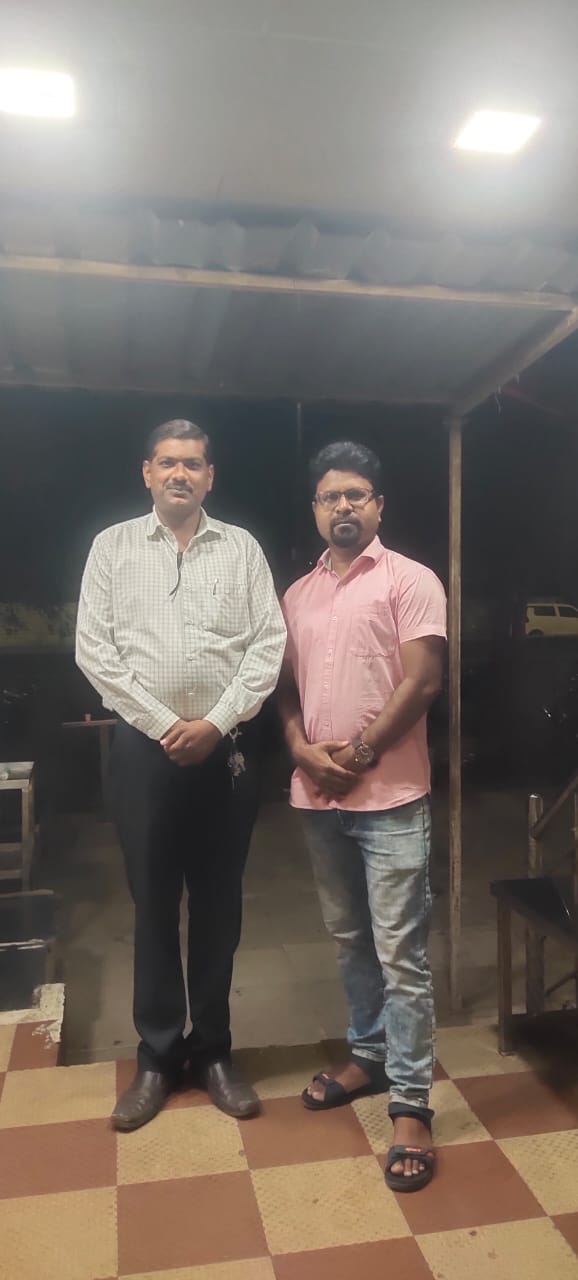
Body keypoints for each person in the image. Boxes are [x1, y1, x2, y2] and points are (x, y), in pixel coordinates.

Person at [76, 419, 286, 1130]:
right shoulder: (112, 548)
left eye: (193, 463)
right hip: (145, 751)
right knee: (154, 905)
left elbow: (268, 645)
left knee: (220, 907)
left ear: (209, 476)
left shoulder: (241, 549)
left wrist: (216, 722)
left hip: (226, 749)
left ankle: (215, 1051)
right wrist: (166, 724)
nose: (179, 474)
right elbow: (94, 651)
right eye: (168, 462)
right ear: (147, 472)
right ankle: (159, 1057)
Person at [279, 441, 446, 1192]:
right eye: (330, 497)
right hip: (319, 797)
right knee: (351, 941)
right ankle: (369, 1055)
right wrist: (299, 748)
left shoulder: (410, 579)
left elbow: (423, 680)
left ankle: (411, 1104)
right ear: (315, 510)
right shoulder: (298, 594)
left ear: (378, 505)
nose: (343, 506)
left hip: (392, 798)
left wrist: (362, 751)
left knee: (401, 955)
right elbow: (284, 687)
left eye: (356, 495)